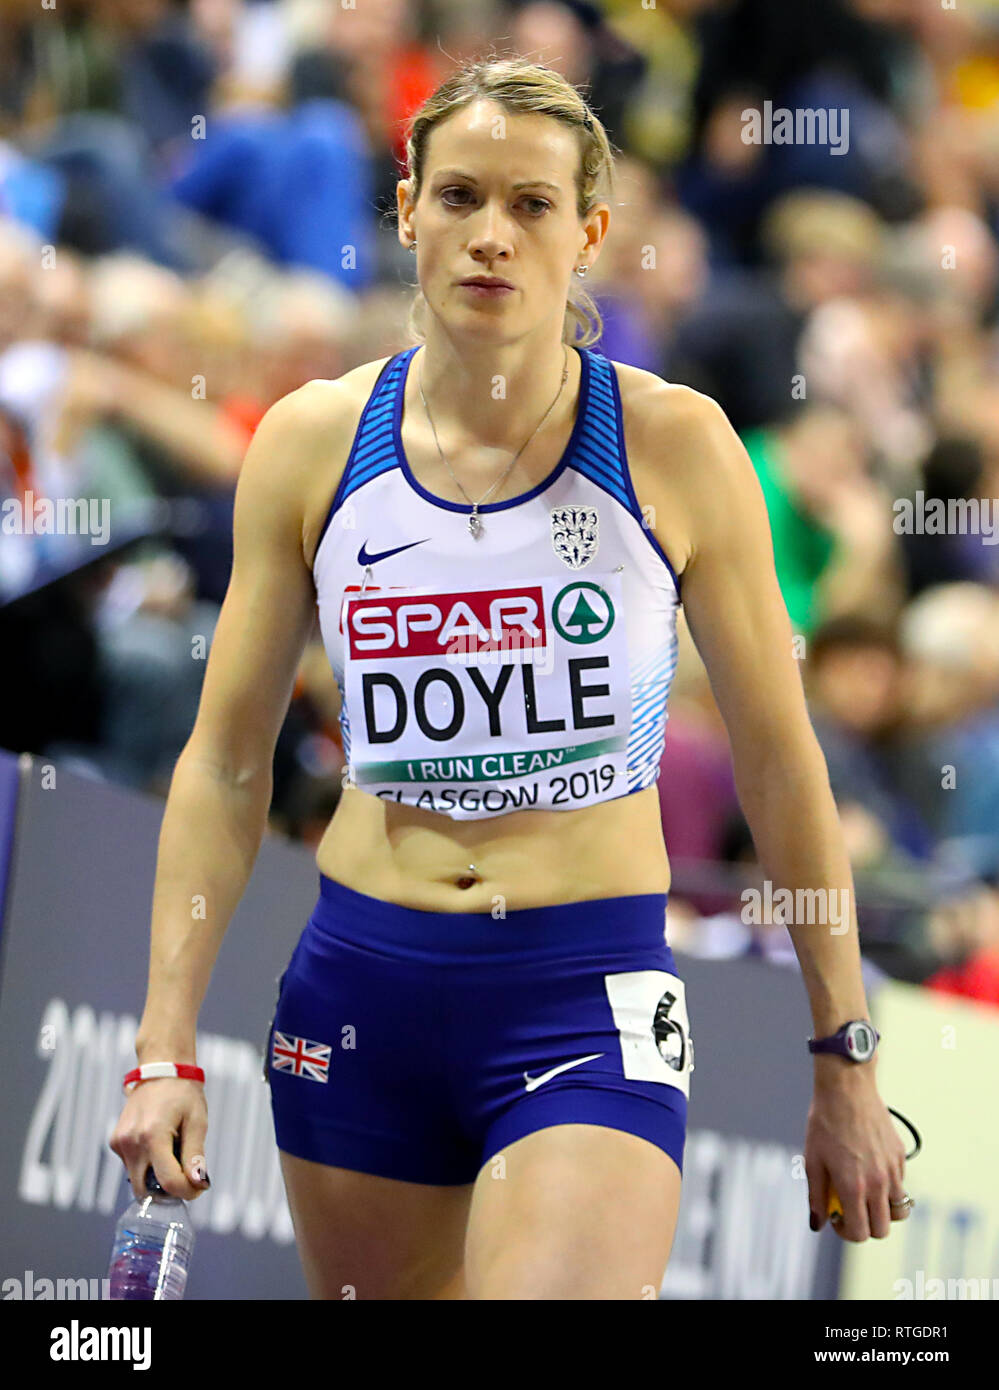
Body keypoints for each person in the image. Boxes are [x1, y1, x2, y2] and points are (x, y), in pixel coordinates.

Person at [110, 57, 911, 1301]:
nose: (492, 236)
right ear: (406, 211)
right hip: (361, 989)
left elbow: (782, 761)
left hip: (582, 994)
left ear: (589, 231)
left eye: (533, 206)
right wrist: (162, 1045)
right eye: (461, 197)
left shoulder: (674, 445)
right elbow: (223, 761)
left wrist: (844, 1053)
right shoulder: (314, 443)